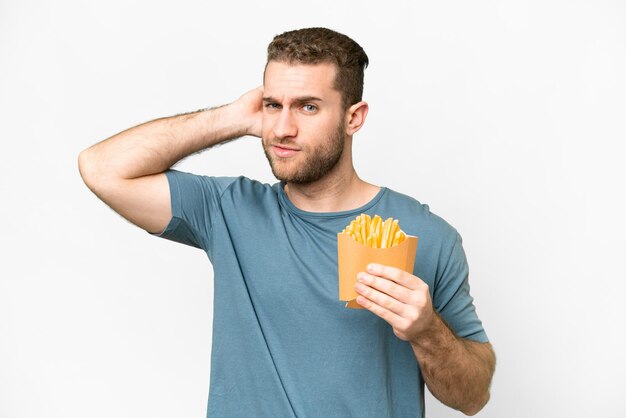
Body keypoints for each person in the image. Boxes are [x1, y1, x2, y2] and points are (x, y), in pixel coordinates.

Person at [79, 27, 495, 417]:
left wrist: (427, 332)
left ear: (354, 117)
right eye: (273, 105)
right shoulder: (227, 210)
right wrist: (234, 117)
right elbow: (101, 168)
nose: (282, 128)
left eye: (307, 107)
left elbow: (473, 396)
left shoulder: (426, 234)